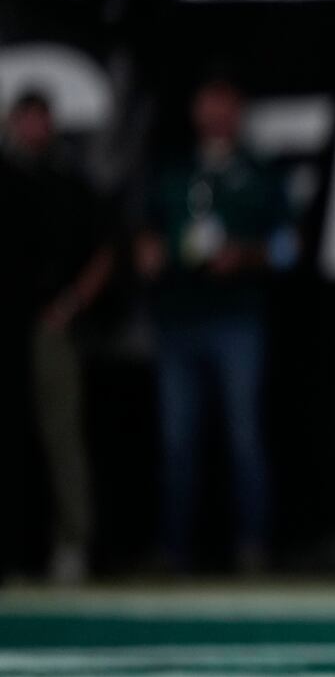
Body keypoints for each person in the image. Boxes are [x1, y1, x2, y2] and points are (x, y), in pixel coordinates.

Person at [137, 77, 293, 571]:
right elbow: (145, 233)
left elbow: (288, 249)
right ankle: (173, 550)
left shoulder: (259, 171)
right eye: (208, 102)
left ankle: (252, 547)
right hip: (179, 320)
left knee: (243, 437)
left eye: (227, 102)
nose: (217, 112)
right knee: (176, 440)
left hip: (236, 321)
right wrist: (149, 251)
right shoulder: (175, 170)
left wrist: (244, 255)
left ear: (239, 109)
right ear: (195, 108)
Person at [0, 91, 113, 584]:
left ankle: (71, 543)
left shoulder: (67, 183)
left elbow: (104, 249)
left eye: (40, 119)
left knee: (61, 437)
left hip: (51, 324)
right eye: (24, 118)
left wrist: (71, 304)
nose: (32, 128)